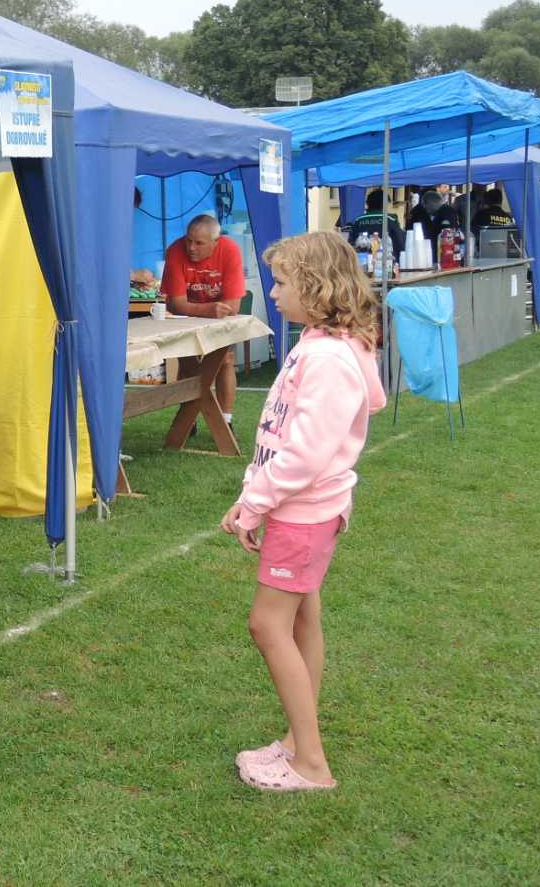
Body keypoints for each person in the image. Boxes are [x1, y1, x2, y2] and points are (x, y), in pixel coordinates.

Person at [221, 230, 386, 792]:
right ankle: (298, 740)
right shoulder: (317, 343)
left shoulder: (330, 357)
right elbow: (280, 432)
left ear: (316, 287)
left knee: (267, 625)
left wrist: (255, 502)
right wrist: (255, 489)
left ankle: (311, 764)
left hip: (304, 513)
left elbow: (307, 452)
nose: (271, 292)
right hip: (302, 509)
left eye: (283, 282)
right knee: (301, 618)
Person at [161, 214, 246, 428]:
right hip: (187, 317)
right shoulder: (174, 251)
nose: (191, 247)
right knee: (188, 361)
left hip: (212, 318)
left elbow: (232, 307)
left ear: (215, 243)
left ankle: (226, 420)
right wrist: (209, 309)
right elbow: (176, 304)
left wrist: (197, 309)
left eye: (199, 243)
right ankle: (188, 418)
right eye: (189, 240)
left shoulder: (230, 250)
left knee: (225, 359)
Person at [343, 188, 407, 258]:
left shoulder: (358, 220)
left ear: (368, 204)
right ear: (384, 204)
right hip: (386, 261)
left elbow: (350, 245)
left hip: (363, 261)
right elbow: (400, 243)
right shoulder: (390, 219)